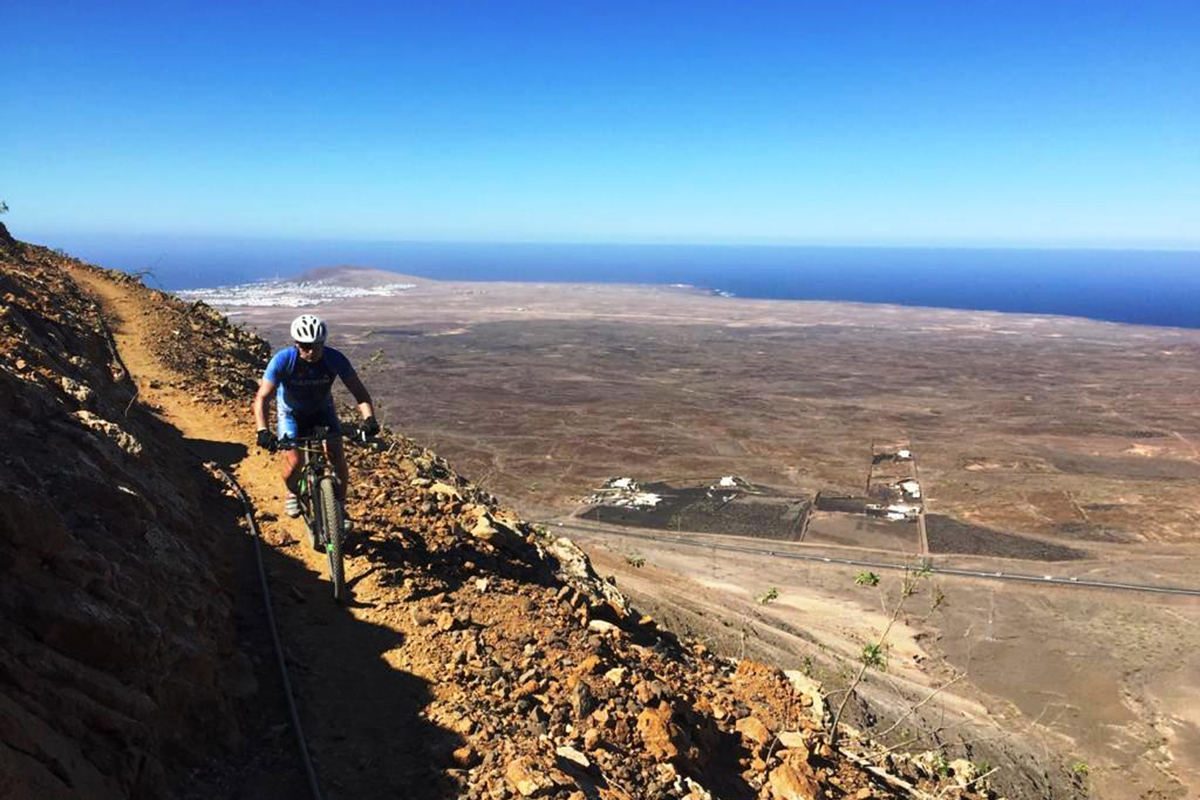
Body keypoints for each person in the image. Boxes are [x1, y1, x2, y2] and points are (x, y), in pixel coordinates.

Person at [253, 314, 380, 521]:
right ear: (296, 343)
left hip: (322, 410)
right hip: (291, 413)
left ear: (323, 343)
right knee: (295, 463)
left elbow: (360, 393)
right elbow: (262, 398)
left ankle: (338, 506)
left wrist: (369, 419)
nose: (311, 352)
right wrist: (262, 430)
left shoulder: (334, 359)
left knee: (336, 456)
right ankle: (293, 492)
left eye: (316, 346)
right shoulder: (283, 360)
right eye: (305, 346)